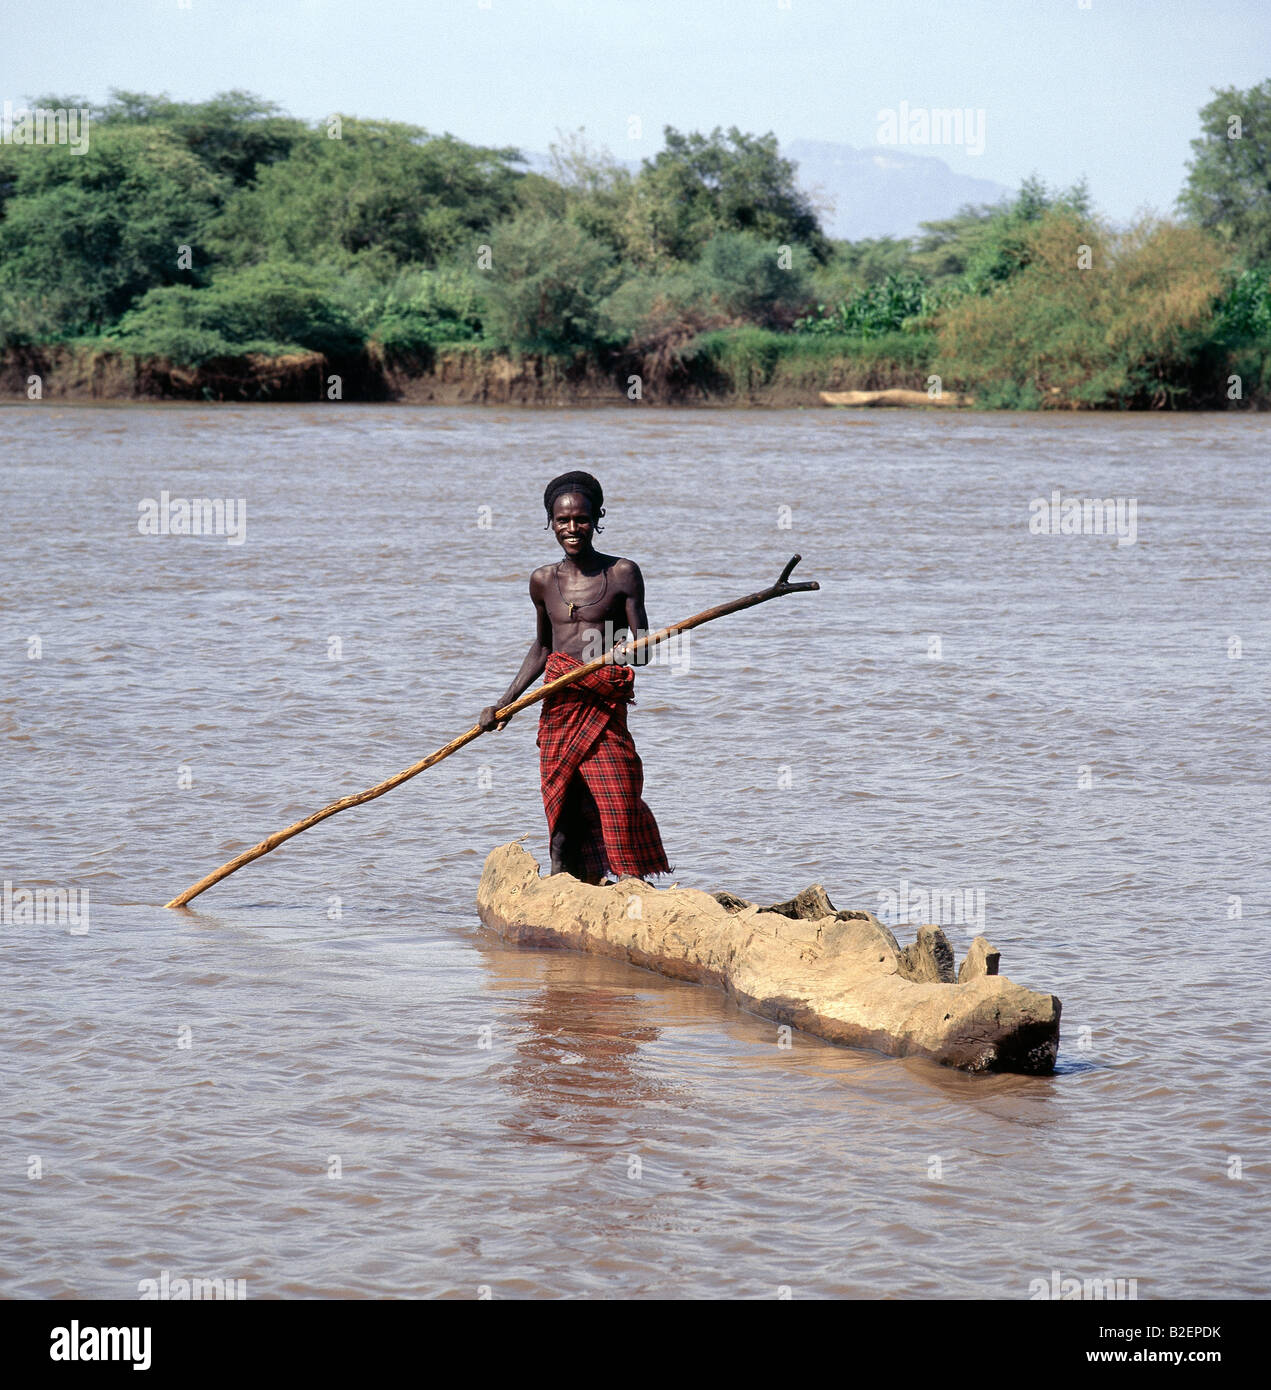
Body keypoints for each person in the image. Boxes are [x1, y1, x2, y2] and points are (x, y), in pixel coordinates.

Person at [479, 471, 671, 884]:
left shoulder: (623, 573)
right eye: (562, 520)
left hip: (603, 707)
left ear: (598, 518)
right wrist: (505, 703)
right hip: (559, 706)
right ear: (550, 522)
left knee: (618, 801)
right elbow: (542, 649)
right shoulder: (542, 581)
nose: (572, 529)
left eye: (581, 519)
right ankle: (563, 891)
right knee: (563, 811)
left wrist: (625, 650)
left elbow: (644, 649)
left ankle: (631, 889)